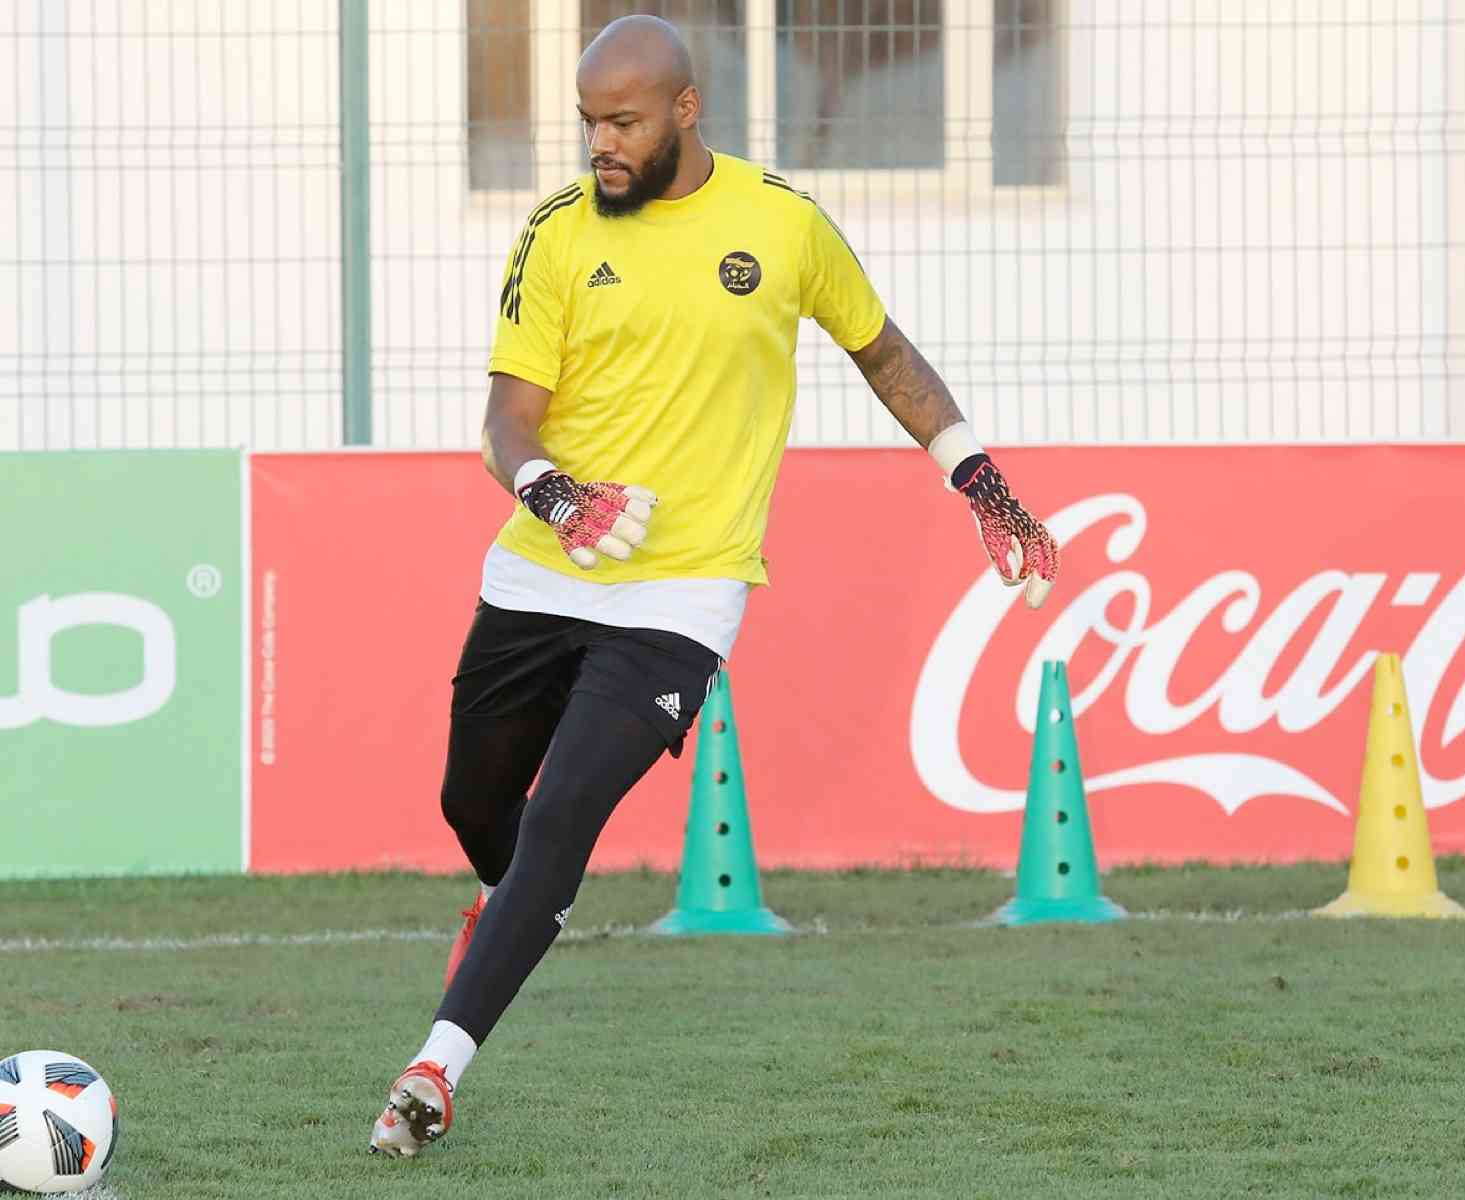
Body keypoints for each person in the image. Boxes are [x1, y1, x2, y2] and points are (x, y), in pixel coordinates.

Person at [369, 14, 1059, 1158]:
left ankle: (432, 1072)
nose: (599, 144)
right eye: (587, 121)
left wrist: (977, 477)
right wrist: (552, 496)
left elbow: (881, 352)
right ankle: (515, 912)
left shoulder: (781, 224)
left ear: (685, 112)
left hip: (681, 599)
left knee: (558, 823)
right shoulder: (553, 235)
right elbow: (505, 423)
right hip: (545, 572)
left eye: (622, 122)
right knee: (473, 807)